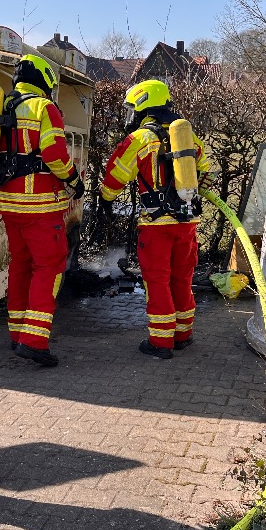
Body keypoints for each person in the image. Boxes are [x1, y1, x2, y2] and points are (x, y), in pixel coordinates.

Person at [99, 79, 210, 359]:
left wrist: (106, 200)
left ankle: (161, 342)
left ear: (143, 105)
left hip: (156, 225)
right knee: (182, 278)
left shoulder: (141, 139)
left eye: (132, 109)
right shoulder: (188, 136)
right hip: (187, 223)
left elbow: (116, 174)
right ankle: (182, 335)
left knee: (157, 281)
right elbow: (206, 170)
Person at [0, 53, 84, 367]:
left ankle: (17, 333)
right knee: (49, 266)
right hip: (40, 205)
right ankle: (34, 341)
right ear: (45, 80)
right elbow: (54, 154)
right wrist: (74, 180)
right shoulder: (45, 107)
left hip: (7, 203)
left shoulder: (2, 106)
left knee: (20, 264)